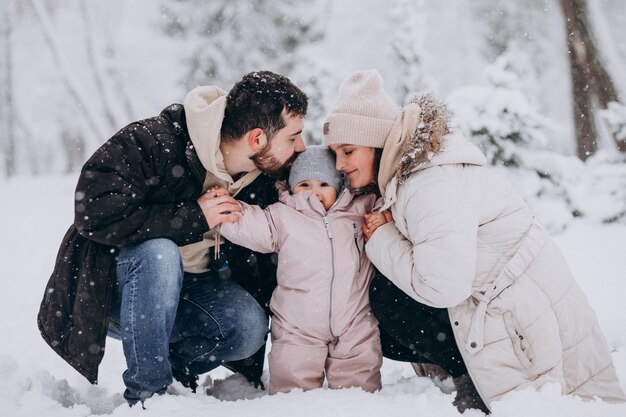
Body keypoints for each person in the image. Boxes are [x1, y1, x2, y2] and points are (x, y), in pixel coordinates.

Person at [323, 70, 626, 412]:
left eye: (348, 151)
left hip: (528, 328)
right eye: (335, 153)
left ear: (378, 144)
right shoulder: (414, 176)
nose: (340, 164)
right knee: (383, 300)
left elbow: (442, 288)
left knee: (388, 301)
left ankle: (469, 374)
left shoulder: (427, 184)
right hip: (516, 313)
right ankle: (463, 369)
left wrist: (380, 236)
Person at [37, 71, 308, 406]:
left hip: (193, 293)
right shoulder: (152, 142)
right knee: (159, 254)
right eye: (294, 137)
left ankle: (175, 368)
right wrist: (193, 216)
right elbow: (93, 211)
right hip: (114, 293)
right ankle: (150, 397)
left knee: (248, 327)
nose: (301, 147)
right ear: (257, 139)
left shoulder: (264, 179)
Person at [217, 146, 387, 394]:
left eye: (323, 184)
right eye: (304, 185)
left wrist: (385, 217)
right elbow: (252, 224)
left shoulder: (359, 211)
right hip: (298, 326)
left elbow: (389, 206)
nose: (313, 193)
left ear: (339, 186)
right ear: (291, 187)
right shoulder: (283, 216)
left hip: (354, 321)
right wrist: (225, 209)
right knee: (293, 386)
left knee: (359, 387)